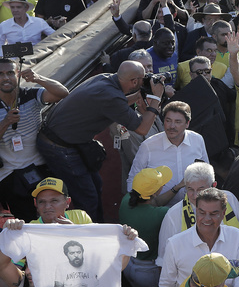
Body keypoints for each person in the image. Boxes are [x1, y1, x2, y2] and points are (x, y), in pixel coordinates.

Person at [37, 61, 164, 221]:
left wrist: (139, 95)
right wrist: (157, 98)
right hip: (59, 147)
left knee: (95, 185)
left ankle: (98, 224)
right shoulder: (110, 96)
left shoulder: (104, 79)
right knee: (87, 197)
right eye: (142, 79)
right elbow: (142, 128)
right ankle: (91, 231)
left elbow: (117, 104)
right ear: (133, 82)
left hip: (65, 141)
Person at [159, 187, 239, 287]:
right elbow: (166, 285)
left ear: (223, 213)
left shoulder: (236, 236)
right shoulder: (174, 244)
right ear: (196, 211)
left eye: (213, 214)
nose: (207, 219)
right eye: (202, 212)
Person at [0, 60, 68, 221]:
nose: (6, 78)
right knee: (27, 223)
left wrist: (38, 78)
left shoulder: (30, 94)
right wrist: (5, 122)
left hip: (40, 168)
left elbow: (63, 93)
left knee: (54, 217)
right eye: (0, 74)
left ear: (18, 74)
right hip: (9, 175)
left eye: (10, 73)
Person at [119, 166, 171, 287]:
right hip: (148, 272)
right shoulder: (162, 214)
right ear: (155, 192)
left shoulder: (126, 200)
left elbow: (154, 202)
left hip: (129, 265)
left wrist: (176, 188)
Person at [126, 101, 208, 207]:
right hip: (159, 209)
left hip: (192, 208)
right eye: (168, 121)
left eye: (177, 122)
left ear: (187, 123)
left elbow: (206, 172)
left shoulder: (197, 140)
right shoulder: (148, 146)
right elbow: (133, 180)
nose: (172, 126)